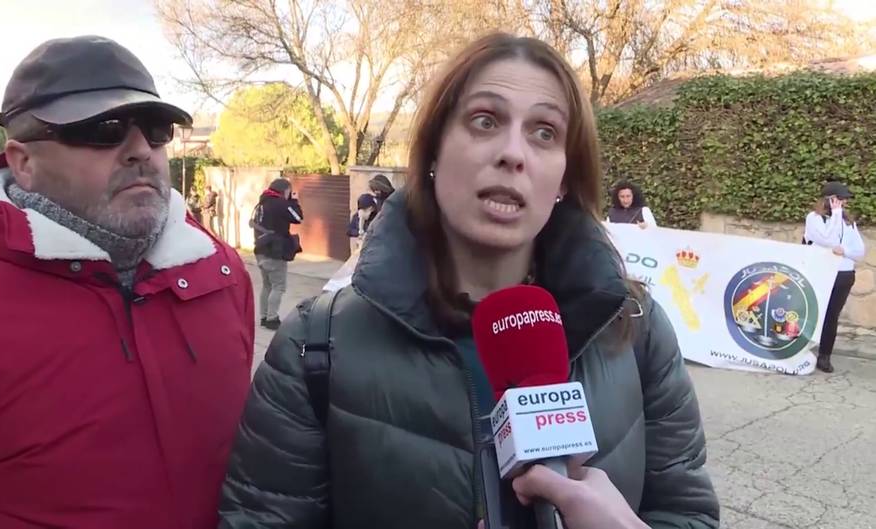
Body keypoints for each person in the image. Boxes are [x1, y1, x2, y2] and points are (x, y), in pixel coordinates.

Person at [219, 33, 718, 529]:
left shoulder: (635, 329)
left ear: (564, 178)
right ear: (433, 152)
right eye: (485, 121)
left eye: (545, 132)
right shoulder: (315, 346)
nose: (512, 153)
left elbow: (687, 513)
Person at [0, 36, 254, 529]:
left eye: (155, 128)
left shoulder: (222, 273)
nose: (140, 150)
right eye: (104, 130)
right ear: (23, 161)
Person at [803, 181, 866, 373]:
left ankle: (825, 356)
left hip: (843, 275)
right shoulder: (814, 219)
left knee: (831, 316)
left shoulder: (849, 223)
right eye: (839, 199)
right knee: (812, 313)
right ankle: (800, 350)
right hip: (821, 273)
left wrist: (844, 250)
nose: (843, 203)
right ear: (829, 200)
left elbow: (859, 251)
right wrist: (836, 215)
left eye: (844, 200)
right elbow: (828, 240)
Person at [251, 177, 303, 330]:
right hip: (274, 251)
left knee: (267, 285)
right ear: (284, 190)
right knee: (278, 286)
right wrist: (294, 202)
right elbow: (298, 217)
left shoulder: (262, 203)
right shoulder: (280, 203)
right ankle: (272, 318)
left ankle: (264, 316)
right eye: (288, 191)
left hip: (260, 249)